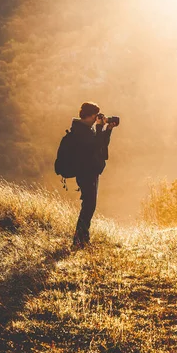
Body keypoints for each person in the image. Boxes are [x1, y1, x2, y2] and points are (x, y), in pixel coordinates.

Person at [71, 102, 117, 248]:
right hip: (85, 171)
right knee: (89, 205)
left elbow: (101, 145)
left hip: (91, 170)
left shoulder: (87, 129)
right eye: (95, 116)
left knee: (90, 205)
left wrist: (108, 128)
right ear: (89, 115)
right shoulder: (80, 130)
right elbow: (95, 145)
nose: (96, 118)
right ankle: (79, 240)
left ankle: (82, 238)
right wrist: (99, 126)